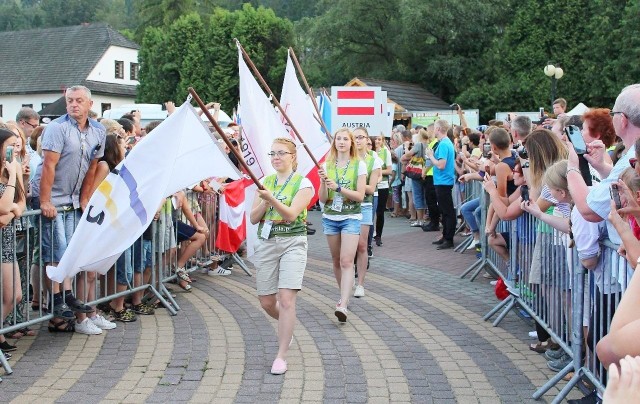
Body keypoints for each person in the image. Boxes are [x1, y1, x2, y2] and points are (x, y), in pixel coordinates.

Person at [30, 85, 106, 334]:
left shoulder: (98, 130)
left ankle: (68, 294)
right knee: (57, 249)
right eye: (70, 100)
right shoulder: (56, 128)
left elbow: (93, 166)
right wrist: (45, 201)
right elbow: (49, 166)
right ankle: (56, 298)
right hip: (54, 197)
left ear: (89, 105)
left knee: (71, 250)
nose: (74, 104)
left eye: (79, 101)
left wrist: (85, 199)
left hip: (73, 200)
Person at [249, 137, 313, 375]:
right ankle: (288, 328)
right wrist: (265, 203)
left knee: (286, 300)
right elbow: (254, 218)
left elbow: (292, 215)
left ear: (293, 157)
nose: (276, 157)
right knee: (267, 302)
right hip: (267, 243)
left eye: (282, 153)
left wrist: (271, 199)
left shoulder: (303, 184)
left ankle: (281, 355)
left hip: (293, 243)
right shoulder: (265, 182)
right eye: (273, 153)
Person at [318, 128, 366, 323]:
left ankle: (343, 304)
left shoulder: (359, 165)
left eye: (345, 139)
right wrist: (323, 183)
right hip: (330, 216)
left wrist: (338, 187)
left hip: (351, 216)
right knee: (337, 260)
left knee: (347, 261)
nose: (342, 142)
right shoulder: (326, 165)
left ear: (351, 142)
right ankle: (343, 295)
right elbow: (322, 199)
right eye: (338, 138)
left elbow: (360, 196)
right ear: (334, 142)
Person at [0, 128, 27, 353]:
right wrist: (10, 210)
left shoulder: (14, 166)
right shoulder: (7, 170)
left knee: (15, 295)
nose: (14, 149)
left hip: (7, 239)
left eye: (16, 144)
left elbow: (21, 202)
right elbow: (4, 205)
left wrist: (10, 213)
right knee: (7, 295)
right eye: (9, 145)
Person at [353, 128, 381, 298]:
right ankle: (347, 281)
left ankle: (360, 284)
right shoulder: (346, 160)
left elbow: (371, 188)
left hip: (364, 206)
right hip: (346, 207)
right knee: (347, 248)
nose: (358, 140)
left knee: (362, 245)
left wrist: (352, 188)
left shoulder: (373, 161)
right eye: (355, 137)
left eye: (361, 137)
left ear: (366, 140)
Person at [425, 119, 456, 249]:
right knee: (444, 210)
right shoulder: (445, 142)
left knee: (447, 211)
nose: (433, 131)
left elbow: (441, 164)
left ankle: (448, 239)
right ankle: (445, 236)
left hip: (443, 181)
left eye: (435, 128)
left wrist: (431, 156)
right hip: (442, 180)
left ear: (438, 129)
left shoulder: (443, 144)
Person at [372, 133, 392, 246]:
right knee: (371, 211)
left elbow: (389, 170)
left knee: (380, 212)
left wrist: (377, 171)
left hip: (382, 185)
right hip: (371, 186)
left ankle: (378, 235)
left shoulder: (385, 152)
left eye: (379, 139)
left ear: (383, 140)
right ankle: (371, 233)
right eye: (375, 139)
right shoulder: (369, 151)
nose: (377, 141)